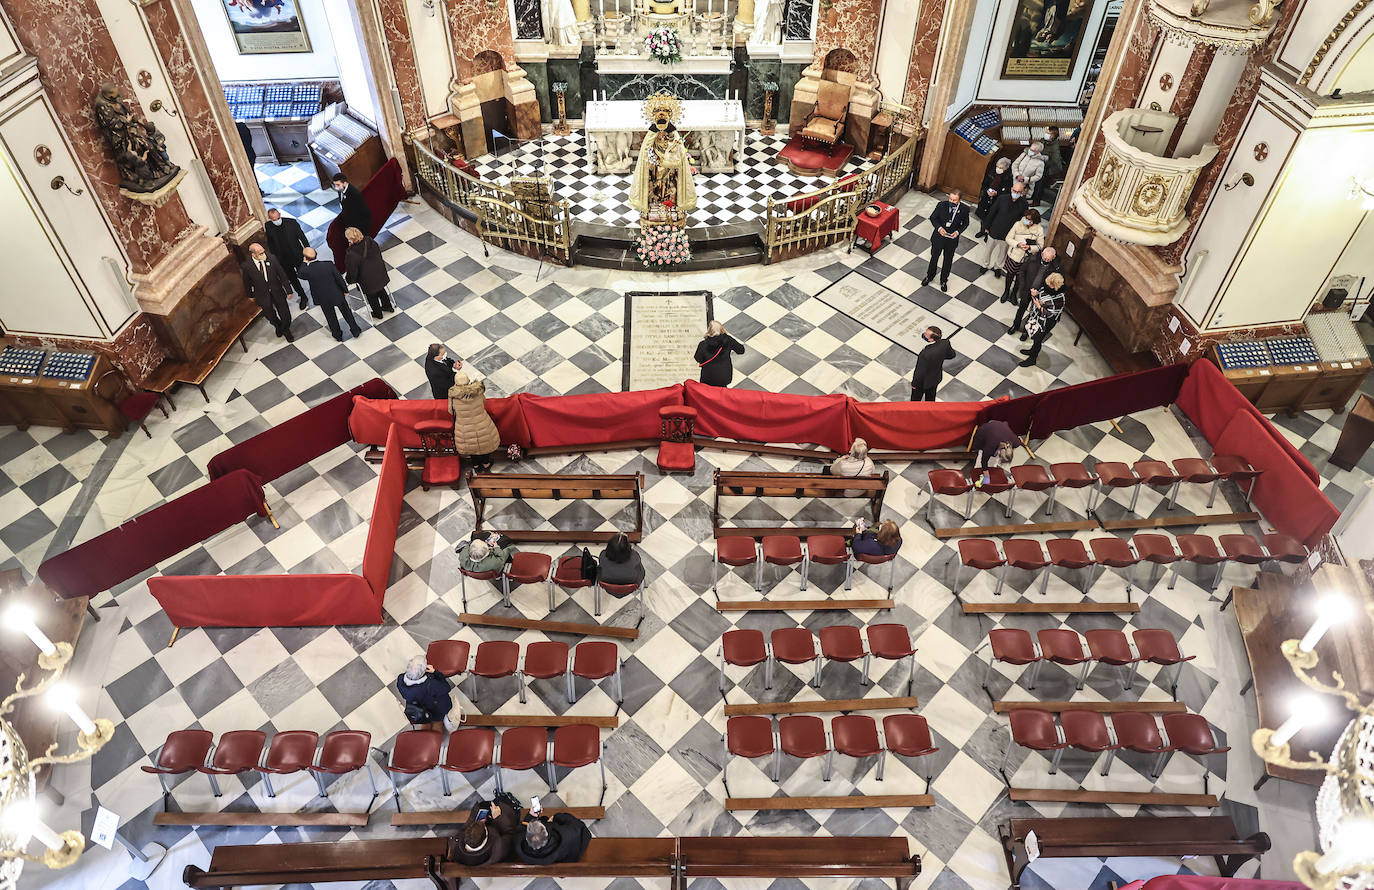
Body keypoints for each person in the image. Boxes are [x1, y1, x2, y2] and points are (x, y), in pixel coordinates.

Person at [297, 247, 363, 341]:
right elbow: (339, 278)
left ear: (305, 258)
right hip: (336, 293)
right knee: (347, 313)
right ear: (316, 254)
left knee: (330, 317)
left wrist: (304, 262)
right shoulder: (328, 264)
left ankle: (337, 335)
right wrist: (345, 290)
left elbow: (299, 274)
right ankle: (355, 330)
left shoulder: (307, 270)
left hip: (323, 298)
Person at [240, 242, 294, 341]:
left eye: (263, 251)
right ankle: (278, 326)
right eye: (260, 253)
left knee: (286, 314)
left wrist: (288, 290)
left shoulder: (272, 258)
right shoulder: (246, 266)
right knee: (270, 316)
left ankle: (285, 330)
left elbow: (281, 274)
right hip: (262, 295)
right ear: (253, 254)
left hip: (277, 291)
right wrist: (250, 295)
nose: (263, 254)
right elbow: (246, 282)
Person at [449, 371, 500, 470]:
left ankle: (476, 465)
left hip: (464, 427)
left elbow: (451, 411)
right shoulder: (478, 392)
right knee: (485, 444)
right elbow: (484, 402)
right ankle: (486, 463)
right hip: (482, 423)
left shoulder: (453, 395)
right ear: (468, 381)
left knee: (470, 447)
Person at [921, 189, 969, 293]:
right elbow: (933, 218)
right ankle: (929, 276)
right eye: (950, 199)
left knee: (948, 260)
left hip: (951, 239)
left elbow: (965, 224)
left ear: (959, 200)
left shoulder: (965, 209)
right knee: (934, 257)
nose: (951, 201)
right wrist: (939, 228)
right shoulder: (941, 205)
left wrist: (957, 232)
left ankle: (943, 280)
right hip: (939, 237)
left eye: (954, 200)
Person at [395, 655, 459, 731]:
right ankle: (435, 739)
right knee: (437, 723)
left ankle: (426, 736)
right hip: (435, 709)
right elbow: (446, 687)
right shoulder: (431, 685)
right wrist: (435, 672)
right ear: (424, 670)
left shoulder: (400, 680)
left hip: (420, 709)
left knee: (425, 723)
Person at [978, 180, 1029, 276]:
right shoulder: (1002, 198)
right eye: (1014, 191)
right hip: (995, 229)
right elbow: (992, 212)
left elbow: (1022, 220)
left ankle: (997, 267)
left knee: (1003, 253)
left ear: (1022, 192)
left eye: (1018, 192)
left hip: (1008, 233)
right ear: (1011, 189)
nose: (1015, 193)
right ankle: (985, 265)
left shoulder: (1024, 204)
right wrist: (987, 227)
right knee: (988, 249)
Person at [1009, 246, 1061, 335]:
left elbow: (1053, 283)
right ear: (1042, 254)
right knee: (1021, 309)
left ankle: (1026, 331)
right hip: (1027, 289)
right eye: (1045, 258)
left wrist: (1041, 292)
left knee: (1033, 313)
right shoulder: (1033, 259)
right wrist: (1023, 285)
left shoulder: (1055, 268)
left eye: (1049, 259)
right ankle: (1015, 325)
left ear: (1053, 257)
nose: (1046, 260)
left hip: (1039, 294)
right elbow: (1021, 271)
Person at [450, 799, 520, 866]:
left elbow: (465, 827)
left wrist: (476, 814)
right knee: (505, 808)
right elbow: (509, 834)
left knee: (483, 806)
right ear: (486, 836)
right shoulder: (499, 846)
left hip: (475, 861)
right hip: (497, 855)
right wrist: (498, 817)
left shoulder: (456, 844)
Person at [344, 226, 394, 319]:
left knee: (371, 296)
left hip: (367, 280)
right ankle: (388, 306)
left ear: (351, 239)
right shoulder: (370, 241)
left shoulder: (351, 254)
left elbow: (352, 271)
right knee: (381, 289)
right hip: (380, 273)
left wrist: (349, 280)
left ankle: (378, 314)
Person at [265, 208, 311, 309]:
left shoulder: (291, 222)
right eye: (274, 220)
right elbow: (270, 243)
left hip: (297, 255)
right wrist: (274, 257)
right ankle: (303, 296)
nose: (277, 221)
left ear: (280, 214)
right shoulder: (268, 226)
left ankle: (317, 290)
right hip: (283, 259)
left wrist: (308, 251)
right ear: (270, 219)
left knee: (306, 274)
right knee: (292, 279)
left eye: (278, 218)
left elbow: (302, 237)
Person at [1019, 271, 1066, 367]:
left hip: (1047, 321)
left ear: (1055, 286)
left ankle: (1033, 359)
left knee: (1038, 339)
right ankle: (1032, 351)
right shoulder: (1047, 287)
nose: (1047, 285)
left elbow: (1050, 314)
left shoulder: (1060, 298)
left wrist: (1039, 306)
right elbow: (1042, 296)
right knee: (1036, 337)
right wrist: (1035, 294)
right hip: (1038, 316)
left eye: (1050, 284)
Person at [1000, 209, 1044, 304]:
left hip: (1026, 259)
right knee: (1010, 275)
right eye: (1026, 218)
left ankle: (1013, 294)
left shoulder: (1039, 230)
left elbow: (1040, 246)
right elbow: (1008, 238)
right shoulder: (1018, 224)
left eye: (1029, 219)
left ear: (1034, 221)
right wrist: (1017, 244)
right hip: (1014, 255)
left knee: (1020, 278)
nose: (1026, 220)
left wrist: (1029, 247)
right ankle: (1006, 291)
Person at [516, 813, 592, 865]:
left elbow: (521, 828)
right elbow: (582, 829)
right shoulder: (566, 835)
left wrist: (530, 815)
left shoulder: (518, 843)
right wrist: (557, 816)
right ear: (546, 833)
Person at [910, 326, 955, 401]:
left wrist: (914, 384)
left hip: (922, 383)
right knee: (931, 399)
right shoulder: (945, 342)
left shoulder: (925, 354)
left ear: (931, 339)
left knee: (915, 400)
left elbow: (919, 372)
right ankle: (930, 411)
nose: (924, 334)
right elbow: (952, 355)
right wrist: (938, 358)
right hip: (935, 378)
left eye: (926, 334)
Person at [695, 321, 745, 387]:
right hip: (724, 376)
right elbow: (741, 350)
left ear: (709, 330)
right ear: (722, 328)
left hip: (707, 377)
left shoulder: (703, 344)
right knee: (722, 394)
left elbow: (698, 358)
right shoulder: (728, 340)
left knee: (708, 394)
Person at [970, 419, 1019, 486]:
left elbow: (1016, 445)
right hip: (985, 432)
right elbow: (983, 461)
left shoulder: (1015, 442)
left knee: (993, 460)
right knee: (981, 462)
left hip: (999, 427)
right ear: (998, 452)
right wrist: (986, 475)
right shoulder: (990, 446)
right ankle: (976, 473)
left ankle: (992, 468)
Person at [974, 158, 1013, 234]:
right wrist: (987, 190)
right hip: (986, 197)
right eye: (997, 167)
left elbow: (1007, 192)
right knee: (983, 215)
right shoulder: (992, 172)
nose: (998, 169)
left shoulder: (1008, 178)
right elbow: (984, 184)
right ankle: (982, 230)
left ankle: (989, 231)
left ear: (1006, 168)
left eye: (1001, 168)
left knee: (992, 215)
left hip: (997, 200)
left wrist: (997, 193)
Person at [1034, 126, 1064, 204]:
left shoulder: (1054, 147)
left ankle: (1036, 200)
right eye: (1046, 132)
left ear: (1053, 136)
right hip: (1039, 163)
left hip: (1048, 167)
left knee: (1039, 183)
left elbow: (1055, 161)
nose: (1046, 134)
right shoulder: (1043, 140)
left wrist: (1042, 162)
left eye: (1048, 133)